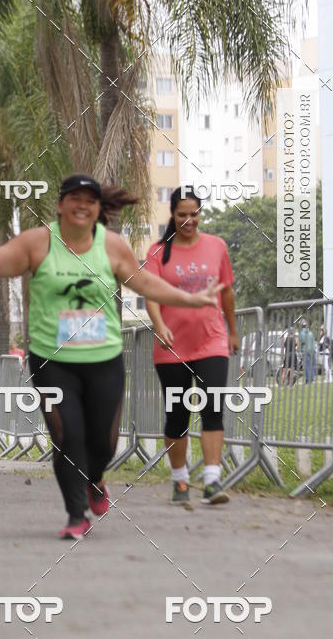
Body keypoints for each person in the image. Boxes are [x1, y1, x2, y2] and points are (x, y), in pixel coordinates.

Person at [0, 173, 223, 539]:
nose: (82, 205)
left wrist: (191, 299)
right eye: (74, 198)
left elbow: (146, 283)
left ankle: (95, 478)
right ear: (60, 205)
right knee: (67, 436)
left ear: (97, 209)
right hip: (52, 360)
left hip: (103, 359)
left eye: (90, 200)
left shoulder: (112, 246)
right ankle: (76, 514)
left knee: (103, 444)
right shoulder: (37, 242)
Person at [144, 186, 238, 507]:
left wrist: (233, 332)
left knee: (213, 408)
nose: (188, 220)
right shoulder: (158, 252)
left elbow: (226, 292)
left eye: (194, 214)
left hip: (212, 341)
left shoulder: (217, 246)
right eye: (182, 214)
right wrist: (159, 325)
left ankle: (212, 480)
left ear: (200, 213)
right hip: (172, 347)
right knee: (177, 415)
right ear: (172, 215)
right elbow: (151, 294)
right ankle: (180, 479)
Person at [299, 318, 316, 384]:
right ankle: (312, 379)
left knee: (307, 366)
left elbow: (301, 343)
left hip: (306, 351)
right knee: (312, 365)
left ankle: (308, 379)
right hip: (313, 351)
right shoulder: (311, 333)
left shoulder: (301, 333)